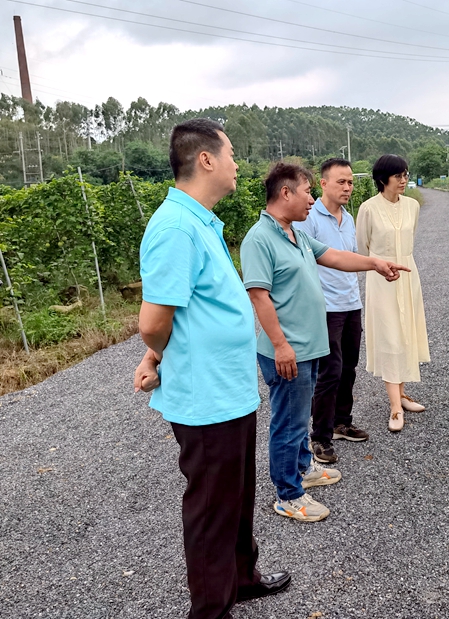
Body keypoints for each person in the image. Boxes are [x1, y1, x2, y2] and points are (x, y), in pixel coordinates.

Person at [133, 118, 290, 619]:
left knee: (236, 497)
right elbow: (153, 322)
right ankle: (210, 610)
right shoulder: (175, 228)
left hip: (229, 390)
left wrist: (157, 353)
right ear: (206, 159)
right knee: (211, 509)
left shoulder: (200, 221)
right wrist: (158, 353)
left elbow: (188, 310)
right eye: (231, 154)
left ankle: (241, 578)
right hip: (205, 397)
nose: (237, 164)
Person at [240, 162, 408, 522]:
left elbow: (334, 256)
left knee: (300, 417)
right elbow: (258, 296)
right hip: (289, 350)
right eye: (307, 192)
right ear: (285, 192)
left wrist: (375, 263)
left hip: (307, 346)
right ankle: (288, 494)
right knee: (289, 423)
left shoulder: (294, 234)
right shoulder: (260, 238)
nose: (312, 199)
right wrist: (280, 345)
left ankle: (303, 468)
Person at [294, 158, 368, 465]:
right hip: (326, 307)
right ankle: (320, 437)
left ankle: (341, 422)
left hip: (351, 302)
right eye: (341, 182)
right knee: (329, 372)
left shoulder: (348, 218)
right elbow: (302, 260)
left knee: (349, 366)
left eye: (350, 182)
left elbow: (350, 258)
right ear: (323, 184)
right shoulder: (309, 217)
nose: (347, 187)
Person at [356, 154, 430, 432]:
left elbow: (410, 239)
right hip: (382, 280)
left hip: (408, 276)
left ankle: (402, 394)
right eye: (398, 175)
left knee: (406, 331)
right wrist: (380, 264)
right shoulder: (368, 208)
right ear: (382, 179)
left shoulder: (412, 206)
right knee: (390, 336)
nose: (403, 180)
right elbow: (362, 249)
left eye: (406, 174)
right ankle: (395, 407)